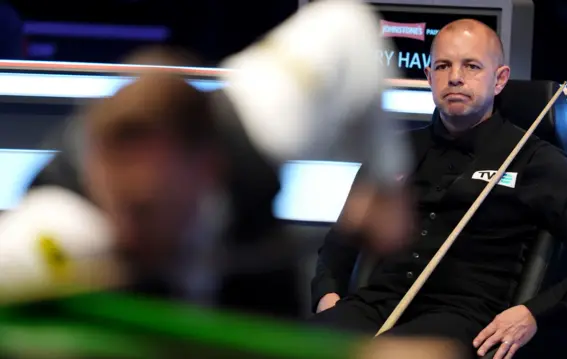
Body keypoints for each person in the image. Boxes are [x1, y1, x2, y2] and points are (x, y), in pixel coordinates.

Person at [0, 0, 412, 317]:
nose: (129, 231)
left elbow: (346, 25)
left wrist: (380, 180)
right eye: (120, 205)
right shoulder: (60, 226)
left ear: (208, 168)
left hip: (247, 288)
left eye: (148, 210)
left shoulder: (260, 117)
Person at [310, 18, 567, 359]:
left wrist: (533, 314)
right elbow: (339, 243)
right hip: (373, 307)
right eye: (443, 65)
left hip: (460, 322)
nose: (455, 76)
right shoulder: (392, 152)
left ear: (500, 80)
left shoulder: (535, 161)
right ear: (428, 77)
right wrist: (328, 297)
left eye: (471, 66)